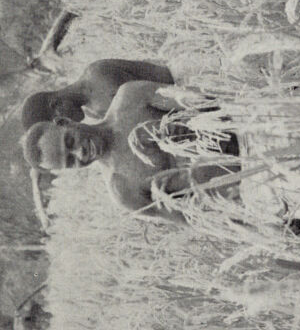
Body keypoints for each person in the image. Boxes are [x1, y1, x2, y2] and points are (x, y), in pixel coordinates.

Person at [21, 80, 239, 224]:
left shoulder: (130, 97)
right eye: (70, 161)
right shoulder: (122, 191)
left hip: (248, 127)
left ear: (64, 121)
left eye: (70, 141)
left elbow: (209, 101)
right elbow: (195, 219)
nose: (80, 153)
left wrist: (186, 127)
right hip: (250, 185)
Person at [20, 58, 174, 131]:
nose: (69, 127)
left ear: (55, 105)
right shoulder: (91, 111)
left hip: (178, 86)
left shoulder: (99, 75)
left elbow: (161, 96)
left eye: (62, 123)